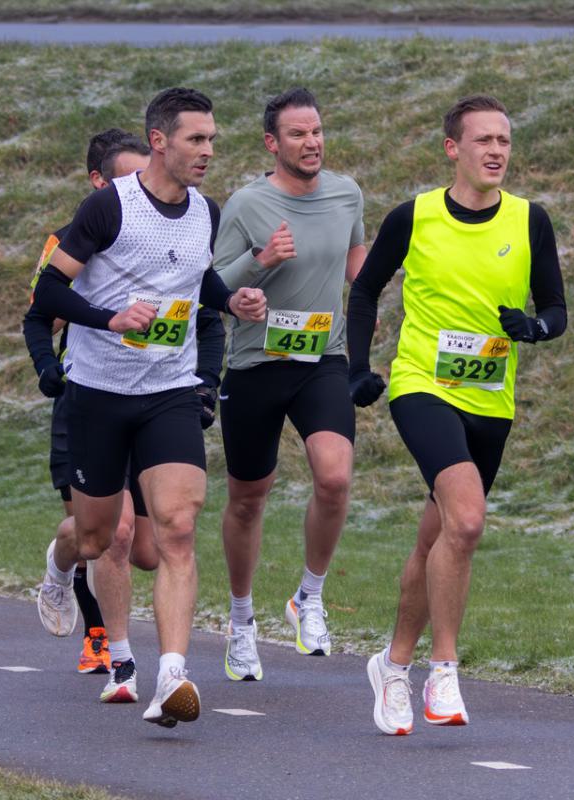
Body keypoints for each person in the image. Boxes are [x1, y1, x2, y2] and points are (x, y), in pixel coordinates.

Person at [31, 87, 266, 728]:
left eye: (212, 139)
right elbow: (50, 291)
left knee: (178, 528)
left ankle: (171, 677)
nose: (208, 151)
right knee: (98, 537)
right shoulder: (108, 207)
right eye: (197, 139)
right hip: (98, 393)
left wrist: (231, 300)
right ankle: (58, 565)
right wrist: (109, 317)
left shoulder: (206, 212)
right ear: (160, 141)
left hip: (169, 390)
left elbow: (195, 278)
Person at [347, 95, 567, 734]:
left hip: (491, 400)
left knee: (438, 537)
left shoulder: (530, 220)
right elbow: (365, 290)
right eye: (483, 140)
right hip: (423, 385)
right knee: (466, 521)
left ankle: (392, 665)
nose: (497, 151)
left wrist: (534, 328)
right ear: (453, 149)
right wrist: (358, 367)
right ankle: (443, 672)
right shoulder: (413, 216)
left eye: (504, 140)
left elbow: (556, 309)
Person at [212, 88, 366, 680]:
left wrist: (389, 283)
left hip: (322, 358)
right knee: (249, 498)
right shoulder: (247, 204)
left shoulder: (346, 193)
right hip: (256, 363)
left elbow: (356, 265)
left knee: (335, 477)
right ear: (272, 144)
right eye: (298, 134)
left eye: (317, 131)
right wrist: (261, 262)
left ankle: (309, 596)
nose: (312, 142)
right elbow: (215, 284)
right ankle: (241, 620)